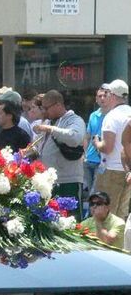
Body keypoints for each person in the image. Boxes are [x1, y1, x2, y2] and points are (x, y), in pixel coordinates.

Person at [32, 90, 86, 220]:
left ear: (58, 105)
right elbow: (40, 146)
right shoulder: (48, 122)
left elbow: (75, 138)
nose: (44, 111)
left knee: (71, 221)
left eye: (46, 108)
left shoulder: (75, 120)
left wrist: (50, 129)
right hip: (48, 183)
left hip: (68, 182)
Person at [93, 79, 131, 219]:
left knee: (106, 215)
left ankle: (106, 241)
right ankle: (121, 241)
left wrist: (97, 143)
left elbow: (107, 147)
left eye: (107, 93)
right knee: (122, 214)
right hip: (128, 171)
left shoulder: (111, 117)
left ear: (112, 95)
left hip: (111, 171)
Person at [83, 85, 108, 196]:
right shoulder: (93, 115)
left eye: (104, 96)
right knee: (89, 191)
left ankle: (90, 213)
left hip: (102, 162)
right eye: (99, 96)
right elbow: (87, 136)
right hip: (88, 160)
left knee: (95, 193)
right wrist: (84, 154)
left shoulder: (112, 116)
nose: (102, 98)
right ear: (96, 99)